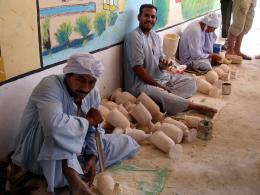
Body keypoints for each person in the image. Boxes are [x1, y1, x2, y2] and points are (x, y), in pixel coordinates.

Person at [10, 53, 139, 194]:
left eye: (91, 82)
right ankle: (74, 181)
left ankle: (79, 167)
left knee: (126, 142)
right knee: (58, 128)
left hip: (76, 151)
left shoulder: (93, 93)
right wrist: (88, 121)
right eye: (80, 80)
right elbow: (54, 126)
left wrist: (93, 155)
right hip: (39, 151)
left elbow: (93, 130)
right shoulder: (49, 85)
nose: (85, 88)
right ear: (68, 74)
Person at [123, 4, 217, 116]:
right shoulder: (134, 37)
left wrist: (164, 64)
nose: (149, 19)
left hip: (160, 78)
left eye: (153, 17)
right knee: (161, 92)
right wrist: (159, 86)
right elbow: (137, 68)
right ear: (139, 17)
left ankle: (166, 101)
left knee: (190, 82)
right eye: (146, 16)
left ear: (156, 19)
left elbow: (160, 60)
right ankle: (191, 106)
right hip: (140, 84)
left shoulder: (155, 36)